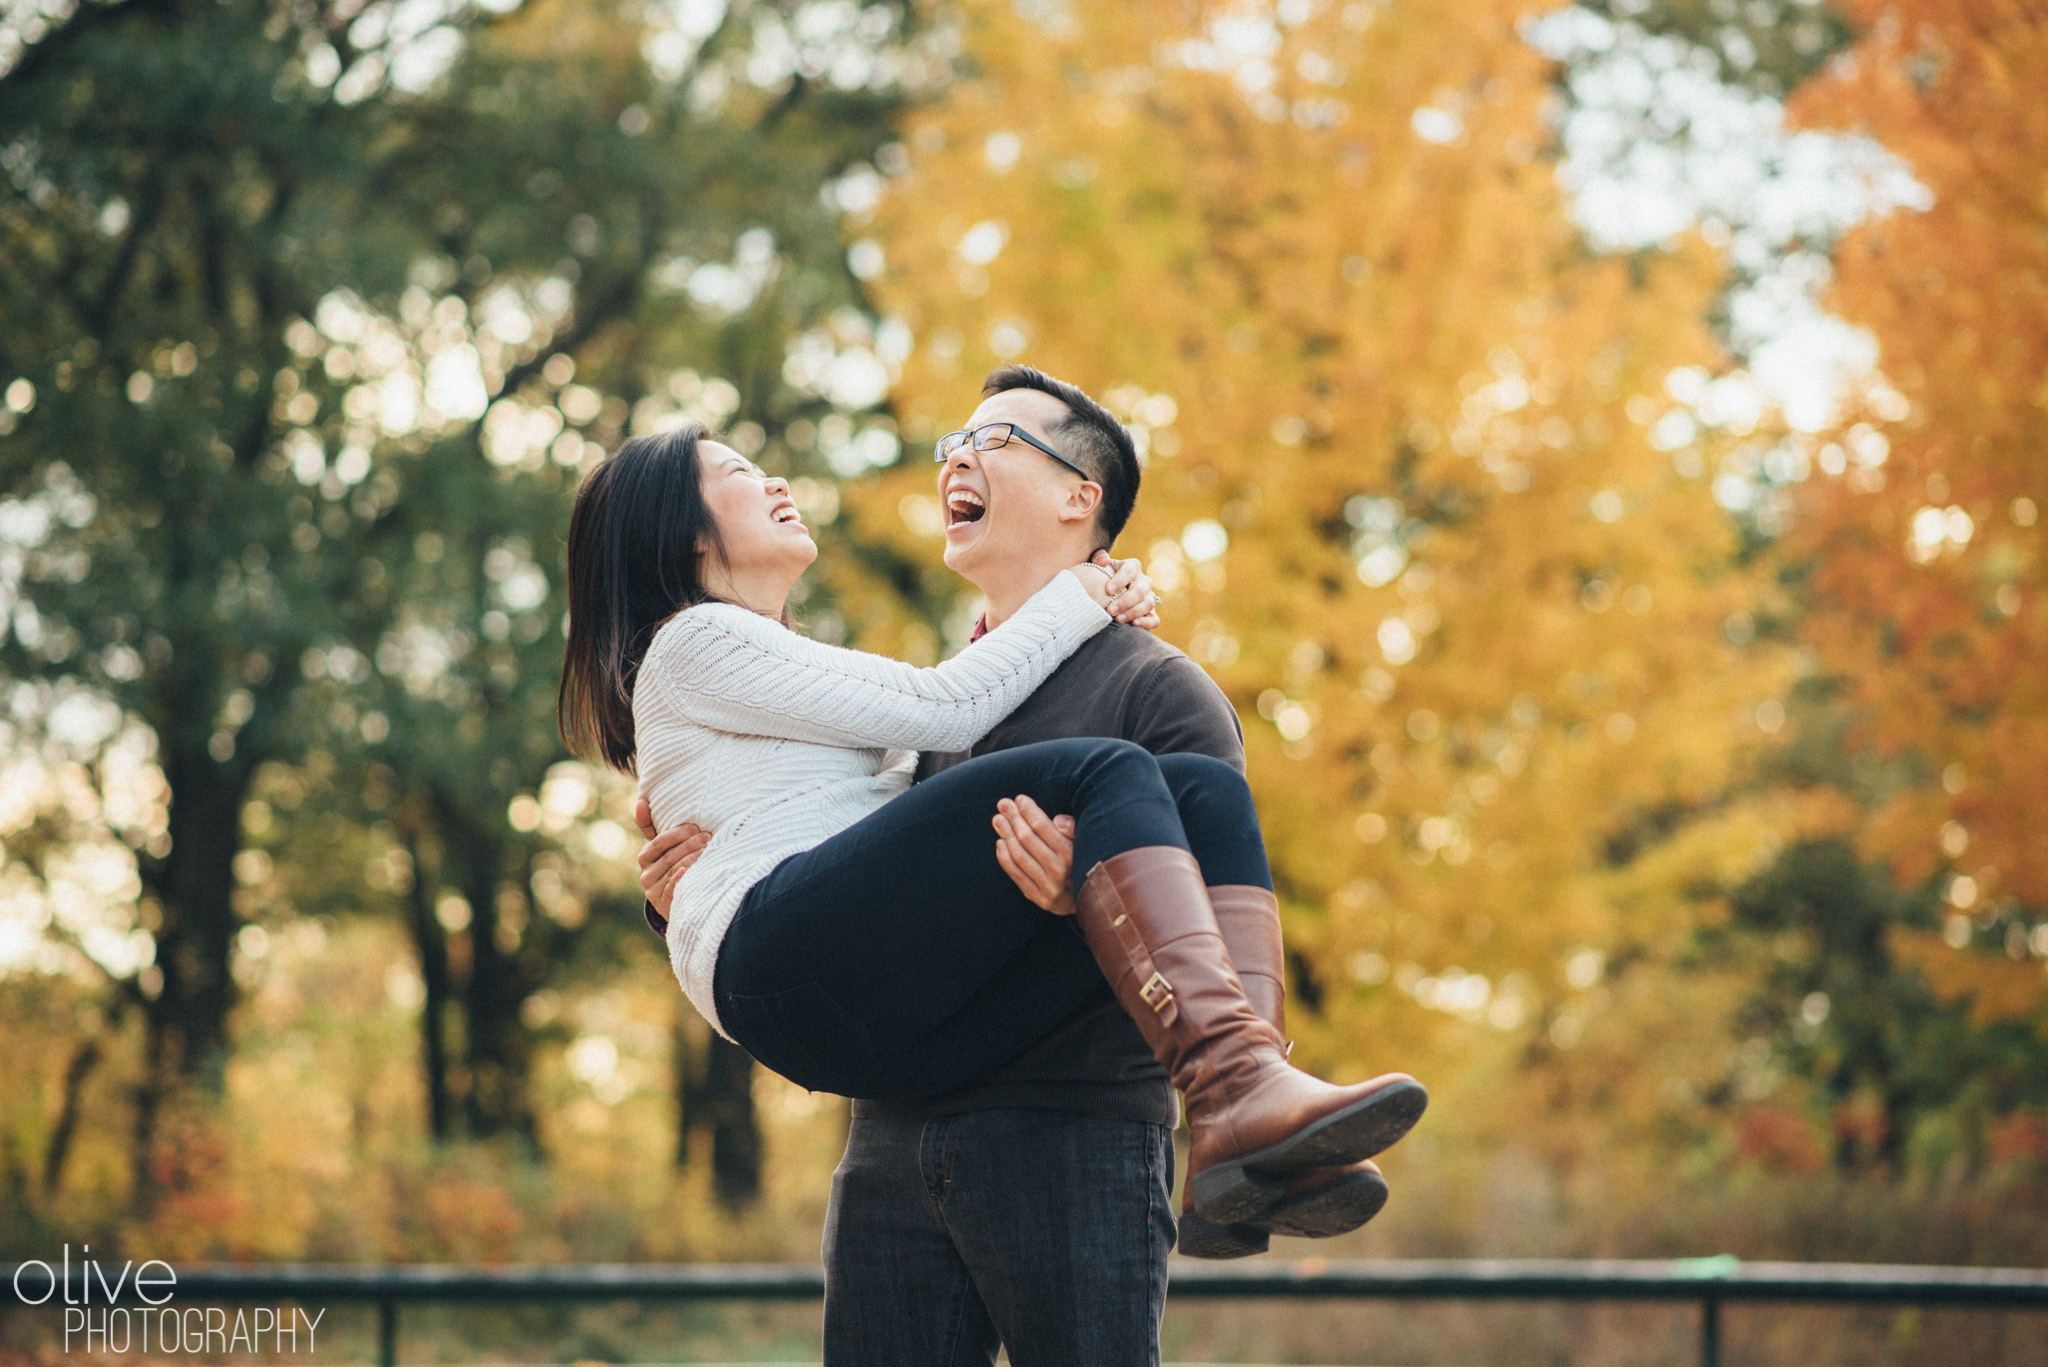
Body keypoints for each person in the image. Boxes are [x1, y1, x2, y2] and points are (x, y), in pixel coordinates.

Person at [570, 391, 1424, 1365]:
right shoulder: (898, 688)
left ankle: (1244, 1106)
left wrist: (1083, 895)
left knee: (1170, 788)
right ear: (677, 536)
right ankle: (1239, 1107)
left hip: (1064, 1126)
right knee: (1106, 779)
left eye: (991, 440)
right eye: (950, 442)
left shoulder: (1148, 683)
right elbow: (898, 786)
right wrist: (691, 879)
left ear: (1077, 496)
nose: (954, 460)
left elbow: (1158, 907)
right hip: (902, 1116)